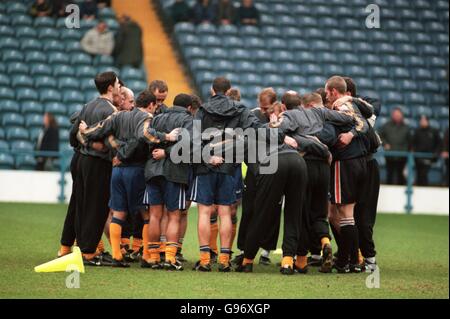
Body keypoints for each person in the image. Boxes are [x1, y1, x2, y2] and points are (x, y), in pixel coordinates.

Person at [79, 90, 179, 267]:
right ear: (151, 105)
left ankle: (117, 256)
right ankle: (148, 255)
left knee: (118, 213)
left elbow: (100, 129)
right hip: (136, 170)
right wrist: (167, 136)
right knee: (146, 214)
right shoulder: (145, 117)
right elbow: (145, 134)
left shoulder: (118, 116)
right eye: (155, 105)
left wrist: (85, 131)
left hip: (117, 171)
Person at [70, 71, 119, 265]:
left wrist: (88, 144)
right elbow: (112, 140)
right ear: (110, 87)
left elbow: (76, 133)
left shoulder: (87, 106)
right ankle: (89, 252)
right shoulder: (111, 111)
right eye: (116, 84)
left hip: (83, 160)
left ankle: (82, 248)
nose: (118, 87)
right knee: (96, 207)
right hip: (99, 163)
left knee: (82, 205)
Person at [142, 94, 195, 270]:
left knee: (154, 216)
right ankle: (170, 258)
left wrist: (162, 147)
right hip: (174, 172)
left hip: (152, 170)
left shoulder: (157, 117)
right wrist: (168, 153)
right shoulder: (188, 120)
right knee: (174, 215)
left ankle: (153, 257)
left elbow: (147, 138)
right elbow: (187, 145)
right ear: (189, 107)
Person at [325, 76, 370, 273]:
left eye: (327, 92)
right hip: (360, 162)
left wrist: (350, 134)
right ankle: (352, 260)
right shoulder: (354, 104)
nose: (327, 96)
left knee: (344, 214)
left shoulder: (341, 106)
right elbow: (368, 114)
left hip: (345, 163)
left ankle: (345, 260)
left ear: (334, 91)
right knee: (347, 215)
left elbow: (362, 124)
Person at [379, 107, 411, 185]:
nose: (397, 116)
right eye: (395, 114)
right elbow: (379, 136)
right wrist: (385, 144)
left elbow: (410, 141)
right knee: (390, 174)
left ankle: (401, 194)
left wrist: (407, 149)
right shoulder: (386, 126)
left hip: (402, 156)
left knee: (401, 175)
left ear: (402, 115)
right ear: (392, 115)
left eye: (398, 114)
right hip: (390, 155)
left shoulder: (406, 127)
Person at [411, 115, 442, 186]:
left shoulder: (434, 131)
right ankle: (420, 187)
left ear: (427, 121)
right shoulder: (417, 131)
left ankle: (426, 188)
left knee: (424, 174)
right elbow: (413, 143)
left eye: (424, 120)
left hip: (430, 158)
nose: (422, 122)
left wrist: (436, 153)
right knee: (419, 174)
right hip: (418, 158)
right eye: (421, 120)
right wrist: (414, 151)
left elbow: (439, 144)